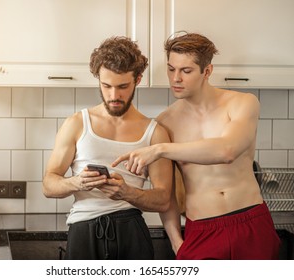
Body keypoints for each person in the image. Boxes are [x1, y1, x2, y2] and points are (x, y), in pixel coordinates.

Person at [112, 32, 281, 260]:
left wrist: (159, 149)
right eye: (171, 69)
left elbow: (227, 150)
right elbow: (168, 194)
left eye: (186, 71)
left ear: (207, 71)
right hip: (201, 229)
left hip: (251, 221)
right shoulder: (166, 123)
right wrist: (176, 242)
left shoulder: (243, 103)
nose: (175, 78)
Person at [43, 36, 173, 260]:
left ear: (138, 79)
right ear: (98, 80)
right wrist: (76, 182)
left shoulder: (155, 132)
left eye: (123, 86)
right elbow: (48, 184)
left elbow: (163, 199)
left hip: (132, 230)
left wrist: (127, 192)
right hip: (83, 230)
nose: (114, 96)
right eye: (106, 86)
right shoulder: (76, 123)